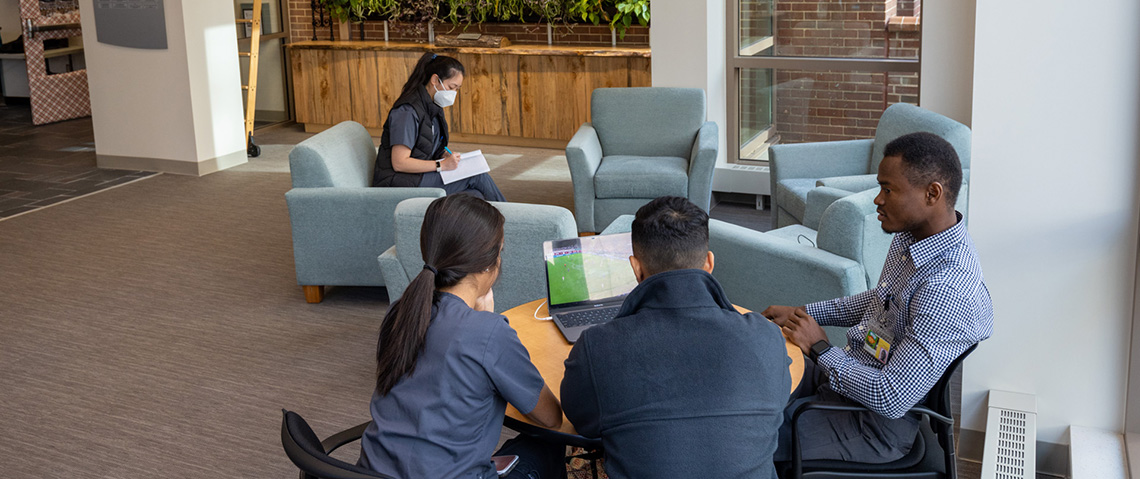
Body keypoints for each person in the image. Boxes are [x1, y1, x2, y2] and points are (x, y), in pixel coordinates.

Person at [764, 131, 994, 464]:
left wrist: (819, 348)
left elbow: (891, 397)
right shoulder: (913, 237)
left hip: (871, 425)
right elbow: (879, 299)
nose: (877, 200)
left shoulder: (947, 289)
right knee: (752, 377)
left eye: (888, 189)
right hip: (847, 382)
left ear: (933, 193)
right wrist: (802, 313)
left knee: (743, 439)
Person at [560, 196, 792, 479]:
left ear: (635, 268)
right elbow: (775, 408)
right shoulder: (766, 338)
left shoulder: (598, 346)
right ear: (709, 263)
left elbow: (583, 424)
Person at [358, 194, 563, 479]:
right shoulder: (488, 332)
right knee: (546, 445)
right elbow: (550, 418)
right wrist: (488, 321)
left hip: (372, 472)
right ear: (486, 265)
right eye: (500, 251)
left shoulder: (400, 313)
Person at [371, 52, 507, 201]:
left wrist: (443, 155)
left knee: (476, 196)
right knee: (477, 176)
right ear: (435, 80)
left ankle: (502, 222)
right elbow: (400, 163)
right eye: (451, 87)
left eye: (457, 89)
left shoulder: (432, 105)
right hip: (398, 182)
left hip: (416, 176)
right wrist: (441, 165)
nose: (454, 93)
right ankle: (513, 220)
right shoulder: (407, 111)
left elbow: (427, 146)